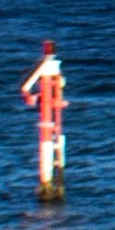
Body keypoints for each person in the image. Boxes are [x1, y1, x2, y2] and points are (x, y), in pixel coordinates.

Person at [17, 39, 67, 195]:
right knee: (51, 142)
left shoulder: (49, 68)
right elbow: (27, 88)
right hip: (49, 115)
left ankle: (49, 184)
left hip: (50, 116)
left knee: (51, 141)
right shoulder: (48, 68)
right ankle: (53, 183)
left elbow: (26, 88)